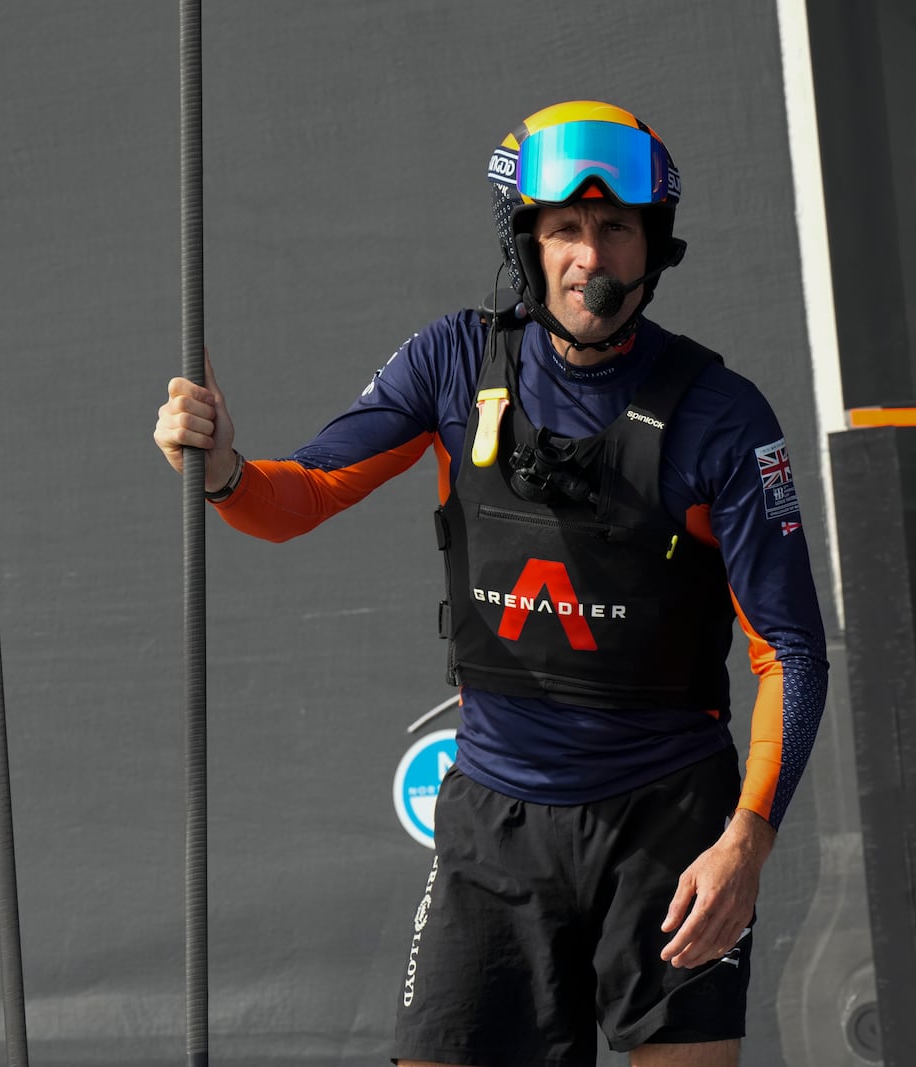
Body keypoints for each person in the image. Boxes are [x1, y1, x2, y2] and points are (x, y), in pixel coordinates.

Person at [153, 100, 828, 1067]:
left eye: (615, 228)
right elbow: (291, 499)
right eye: (563, 229)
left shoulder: (723, 416)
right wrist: (219, 467)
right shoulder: (453, 361)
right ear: (527, 243)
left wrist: (748, 841)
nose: (588, 256)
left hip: (670, 820)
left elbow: (792, 654)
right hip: (495, 816)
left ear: (653, 246)